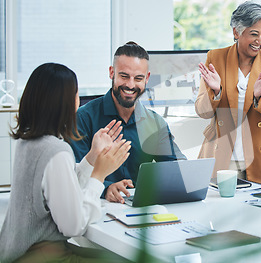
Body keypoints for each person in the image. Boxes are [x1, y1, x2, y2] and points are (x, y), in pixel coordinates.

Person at [0, 63, 131, 262]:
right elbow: (74, 226)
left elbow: (61, 188)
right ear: (66, 102)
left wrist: (93, 156)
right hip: (45, 256)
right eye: (77, 95)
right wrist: (99, 175)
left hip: (20, 254)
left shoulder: (28, 142)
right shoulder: (56, 151)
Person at [195, 1, 261, 192]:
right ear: (236, 32)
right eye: (254, 34)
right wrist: (215, 92)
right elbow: (202, 111)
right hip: (224, 157)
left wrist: (260, 97)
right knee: (221, 215)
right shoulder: (215, 58)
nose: (260, 41)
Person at [70, 42, 186, 203]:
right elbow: (73, 174)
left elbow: (175, 169)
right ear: (112, 73)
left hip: (140, 209)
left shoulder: (155, 123)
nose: (131, 85)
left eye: (138, 78)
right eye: (124, 76)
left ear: (147, 78)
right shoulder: (83, 118)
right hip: (95, 208)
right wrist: (106, 187)